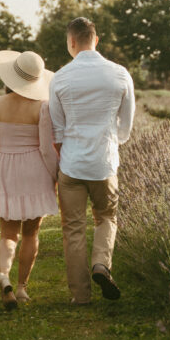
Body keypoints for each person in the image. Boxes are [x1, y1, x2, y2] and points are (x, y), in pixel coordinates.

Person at [49, 17, 135, 304]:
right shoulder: (120, 74)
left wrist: (68, 155)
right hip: (104, 163)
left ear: (71, 42)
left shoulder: (60, 77)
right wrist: (112, 142)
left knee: (72, 229)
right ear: (96, 40)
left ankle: (80, 295)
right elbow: (125, 126)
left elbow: (57, 129)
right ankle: (101, 264)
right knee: (106, 217)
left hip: (72, 165)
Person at [0, 50, 59, 310]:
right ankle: (23, 288)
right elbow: (47, 149)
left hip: (7, 167)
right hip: (34, 168)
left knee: (7, 234)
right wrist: (54, 175)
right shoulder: (42, 107)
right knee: (31, 232)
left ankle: (4, 275)